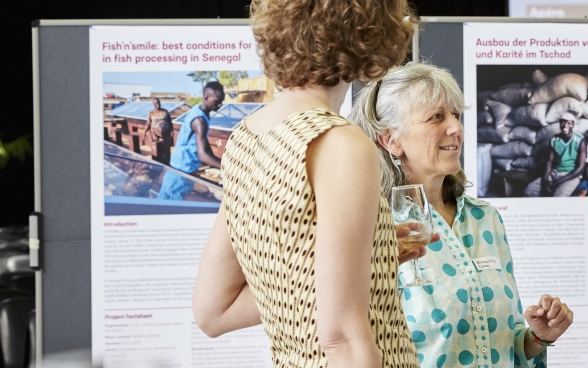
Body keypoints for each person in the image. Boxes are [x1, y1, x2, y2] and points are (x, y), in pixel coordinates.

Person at [192, 1, 425, 367]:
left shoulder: (245, 138)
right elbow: (343, 340)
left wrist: (367, 259)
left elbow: (213, 311)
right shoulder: (339, 142)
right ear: (370, 30)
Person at [349, 62, 574, 368]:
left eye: (456, 115)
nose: (456, 128)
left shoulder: (486, 219)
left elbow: (506, 348)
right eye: (436, 117)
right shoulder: (373, 227)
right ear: (391, 141)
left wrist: (537, 337)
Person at [525, 112, 586, 197]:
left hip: (571, 175)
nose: (565, 125)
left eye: (569, 123)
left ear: (573, 125)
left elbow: (580, 168)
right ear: (560, 123)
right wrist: (545, 181)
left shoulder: (580, 140)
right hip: (554, 173)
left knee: (558, 198)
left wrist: (557, 183)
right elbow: (549, 161)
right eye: (563, 122)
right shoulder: (554, 139)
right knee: (530, 190)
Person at [170, 81, 224, 174]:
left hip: (187, 166)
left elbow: (204, 142)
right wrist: (229, 169)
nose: (220, 105)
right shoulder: (199, 120)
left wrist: (220, 162)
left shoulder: (201, 112)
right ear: (206, 97)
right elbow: (202, 155)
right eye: (217, 101)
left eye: (221, 101)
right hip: (182, 168)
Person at [144, 98, 173, 165]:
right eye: (156, 103)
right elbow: (148, 123)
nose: (157, 104)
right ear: (153, 104)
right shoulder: (151, 113)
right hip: (155, 135)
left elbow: (170, 122)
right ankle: (158, 164)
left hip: (166, 134)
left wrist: (172, 131)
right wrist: (144, 132)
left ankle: (167, 163)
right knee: (158, 149)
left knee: (166, 149)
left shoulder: (165, 112)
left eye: (158, 103)